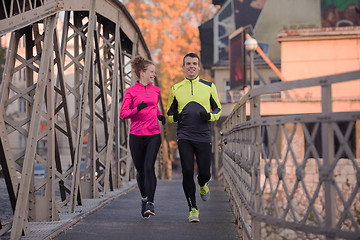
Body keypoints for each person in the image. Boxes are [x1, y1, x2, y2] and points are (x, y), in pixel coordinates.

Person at [167, 53, 222, 222]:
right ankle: (193, 209)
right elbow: (169, 113)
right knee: (187, 171)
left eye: (194, 63)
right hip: (184, 135)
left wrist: (209, 117)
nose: (191, 66)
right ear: (183, 67)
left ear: (199, 67)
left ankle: (203, 183)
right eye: (188, 63)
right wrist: (176, 118)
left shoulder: (209, 86)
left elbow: (218, 110)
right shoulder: (176, 88)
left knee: (205, 173)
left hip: (204, 135)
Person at [120, 56, 166, 219]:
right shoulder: (131, 92)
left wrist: (160, 116)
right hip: (137, 135)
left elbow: (154, 107)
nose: (154, 75)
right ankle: (144, 199)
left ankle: (151, 203)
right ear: (142, 73)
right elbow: (123, 114)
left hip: (153, 133)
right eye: (152, 72)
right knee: (140, 171)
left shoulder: (156, 90)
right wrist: (136, 109)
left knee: (149, 168)